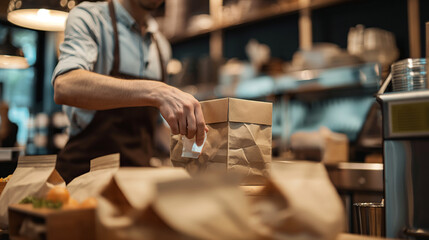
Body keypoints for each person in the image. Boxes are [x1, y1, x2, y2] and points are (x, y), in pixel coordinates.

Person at [52, 0, 207, 183]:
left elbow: (156, 126)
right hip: (83, 179)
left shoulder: (162, 46)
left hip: (136, 182)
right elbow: (65, 86)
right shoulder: (91, 18)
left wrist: (193, 154)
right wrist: (156, 91)